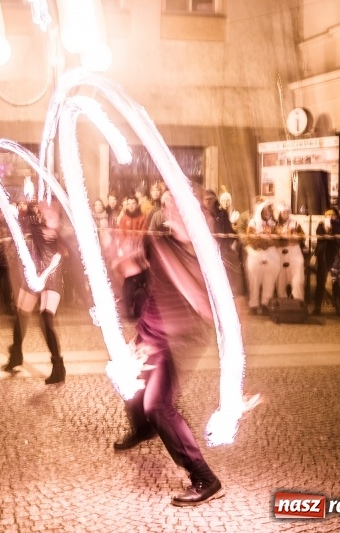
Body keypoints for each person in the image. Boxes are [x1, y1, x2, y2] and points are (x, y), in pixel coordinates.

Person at [112, 195, 225, 507]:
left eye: (176, 205)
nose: (169, 210)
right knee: (129, 379)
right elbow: (135, 265)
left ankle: (204, 477)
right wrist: (124, 262)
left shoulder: (203, 254)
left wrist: (205, 308)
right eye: (167, 205)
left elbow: (206, 302)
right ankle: (142, 428)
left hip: (173, 342)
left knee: (158, 404)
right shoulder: (159, 242)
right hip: (149, 330)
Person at [1, 202, 66, 385]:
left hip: (50, 277)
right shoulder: (36, 224)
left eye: (50, 209)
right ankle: (16, 355)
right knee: (21, 315)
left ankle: (58, 366)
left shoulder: (60, 230)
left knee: (45, 319)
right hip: (34, 275)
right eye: (44, 208)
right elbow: (21, 224)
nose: (45, 210)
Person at [244, 200, 280, 314]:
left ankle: (266, 304)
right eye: (266, 210)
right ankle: (253, 305)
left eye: (270, 210)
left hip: (271, 254)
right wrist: (264, 240)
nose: (268, 213)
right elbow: (250, 239)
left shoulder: (274, 224)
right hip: (256, 254)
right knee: (254, 281)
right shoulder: (253, 223)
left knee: (269, 281)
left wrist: (265, 239)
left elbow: (277, 239)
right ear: (261, 211)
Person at [312, 207, 340, 315]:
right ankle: (317, 306)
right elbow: (320, 237)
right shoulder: (321, 225)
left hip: (334, 255)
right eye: (328, 215)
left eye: (332, 215)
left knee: (336, 281)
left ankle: (338, 306)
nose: (330, 217)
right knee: (320, 281)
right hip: (323, 255)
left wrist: (331, 232)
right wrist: (326, 231)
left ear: (336, 216)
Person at [274, 203, 305, 300]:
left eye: (288, 212)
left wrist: (294, 236)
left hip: (293, 252)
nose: (286, 214)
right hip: (280, 253)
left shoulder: (295, 223)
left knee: (297, 279)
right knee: (280, 280)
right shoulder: (275, 224)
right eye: (284, 212)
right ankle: (282, 301)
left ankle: (298, 300)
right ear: (279, 213)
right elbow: (271, 238)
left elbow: (302, 236)